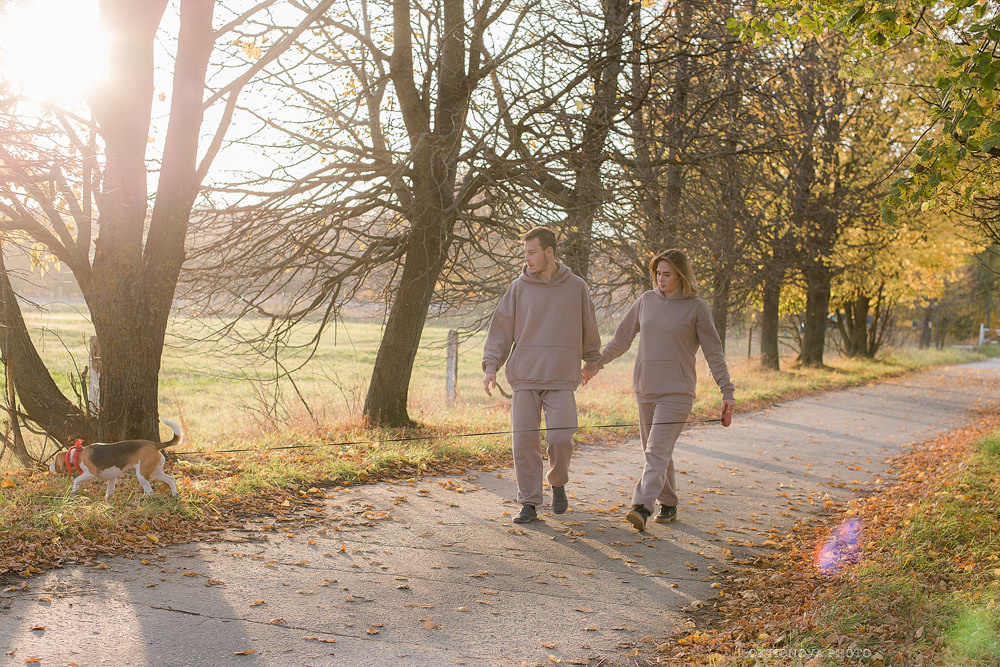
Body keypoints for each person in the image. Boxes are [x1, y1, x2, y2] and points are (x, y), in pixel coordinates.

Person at [584, 249, 735, 531]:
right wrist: (596, 364)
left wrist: (727, 390)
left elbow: (714, 352)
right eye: (657, 274)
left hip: (677, 392)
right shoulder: (645, 301)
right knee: (656, 451)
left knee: (655, 450)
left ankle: (641, 507)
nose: (661, 279)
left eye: (667, 274)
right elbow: (620, 340)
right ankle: (669, 502)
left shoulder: (696, 307)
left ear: (681, 275)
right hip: (645, 388)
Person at [483, 227, 602, 523]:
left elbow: (589, 325)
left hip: (561, 377)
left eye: (532, 252)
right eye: (525, 252)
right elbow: (500, 330)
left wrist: (592, 361)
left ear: (549, 252)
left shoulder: (576, 286)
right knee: (524, 443)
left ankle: (557, 483)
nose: (527, 258)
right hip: (525, 377)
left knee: (560, 438)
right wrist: (491, 366)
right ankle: (529, 503)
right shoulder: (519, 288)